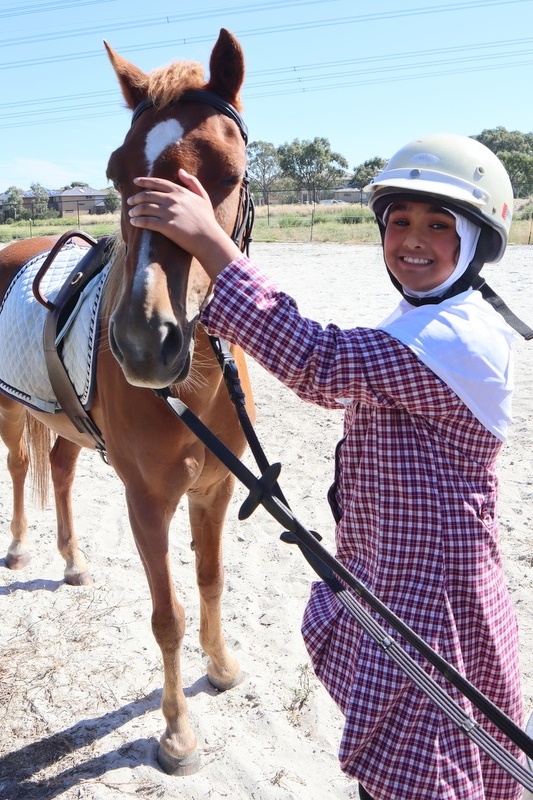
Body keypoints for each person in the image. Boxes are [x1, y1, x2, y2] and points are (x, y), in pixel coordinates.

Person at [127, 134, 527, 800]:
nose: (411, 239)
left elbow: (319, 364)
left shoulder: (461, 338)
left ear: (477, 241)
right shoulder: (425, 316)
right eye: (398, 221)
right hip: (392, 570)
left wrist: (211, 244)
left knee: (425, 766)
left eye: (437, 224)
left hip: (433, 594)